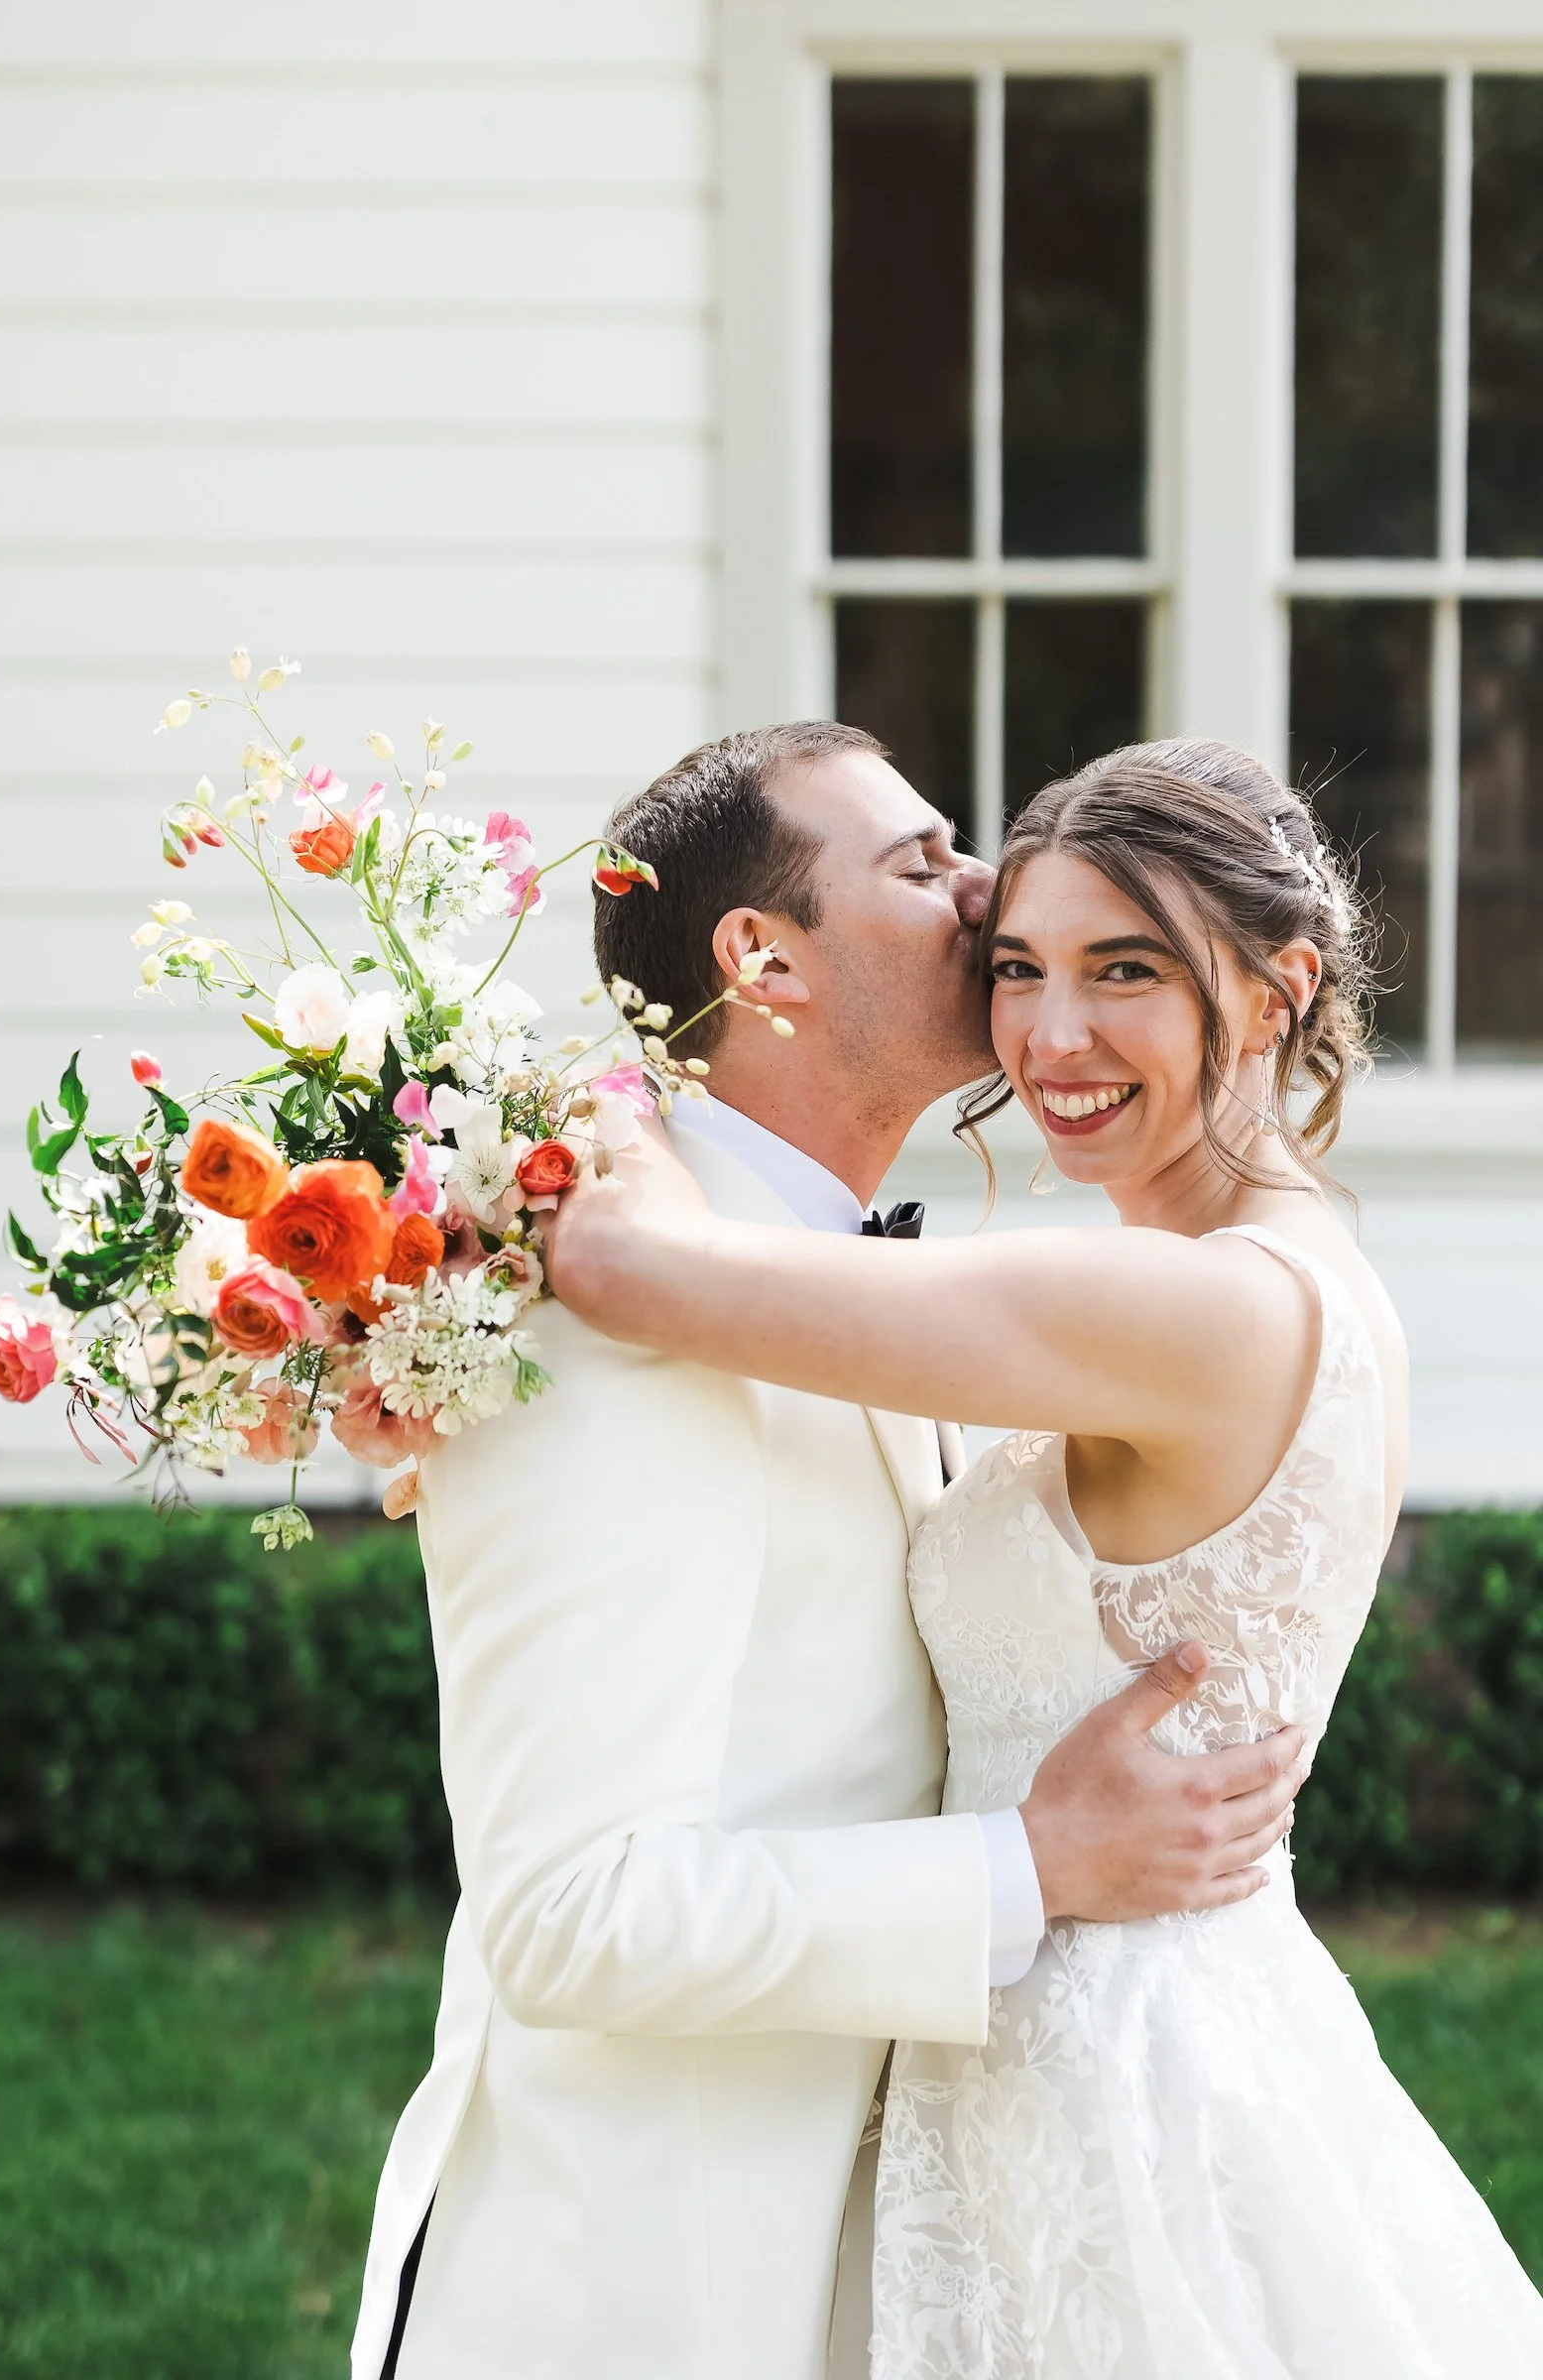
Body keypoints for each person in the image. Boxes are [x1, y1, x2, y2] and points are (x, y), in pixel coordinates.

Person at [543, 737, 1543, 2377]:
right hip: (1112, 2034)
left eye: (1125, 973)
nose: (1053, 1037)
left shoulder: (1195, 1308)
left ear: (1281, 989)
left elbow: (618, 1256)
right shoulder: (1271, 1274)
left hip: (1111, 2098)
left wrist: (548, 1113)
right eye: (1018, 969)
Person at [351, 724, 1306, 2380]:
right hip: (646, 2295)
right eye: (920, 859)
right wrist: (1034, 1866)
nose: (986, 887)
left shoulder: (828, 1290)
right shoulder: (597, 1331)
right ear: (762, 958)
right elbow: (570, 1917)